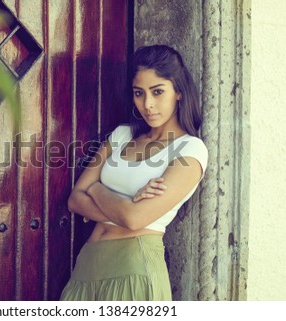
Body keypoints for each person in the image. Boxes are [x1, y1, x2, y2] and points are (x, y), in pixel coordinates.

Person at [60, 45, 208, 301]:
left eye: (158, 92)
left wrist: (95, 190)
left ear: (179, 93)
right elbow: (75, 199)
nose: (147, 104)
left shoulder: (190, 150)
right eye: (139, 93)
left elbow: (135, 220)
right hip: (86, 267)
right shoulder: (122, 134)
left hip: (135, 269)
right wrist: (126, 205)